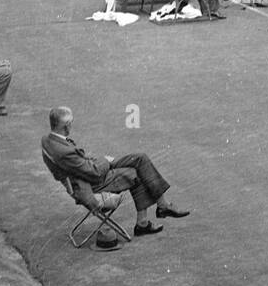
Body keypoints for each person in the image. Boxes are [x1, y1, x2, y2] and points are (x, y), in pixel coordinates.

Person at [41, 106, 190, 247]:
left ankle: (160, 208)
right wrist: (105, 160)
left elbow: (82, 162)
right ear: (65, 125)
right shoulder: (62, 151)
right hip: (91, 183)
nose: (71, 127)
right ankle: (148, 218)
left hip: (87, 173)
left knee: (140, 159)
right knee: (135, 173)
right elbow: (94, 172)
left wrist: (100, 160)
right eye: (70, 124)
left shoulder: (48, 140)